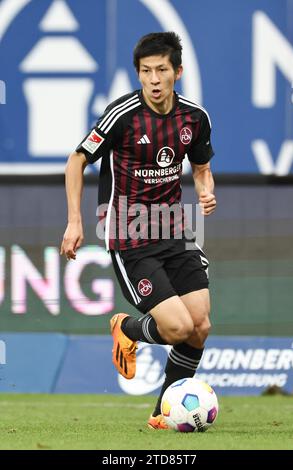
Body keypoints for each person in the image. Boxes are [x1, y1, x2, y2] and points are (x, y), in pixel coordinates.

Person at [60, 32, 216, 429]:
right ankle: (126, 327)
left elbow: (200, 166)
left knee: (199, 327)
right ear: (139, 75)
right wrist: (75, 221)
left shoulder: (194, 118)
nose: (154, 79)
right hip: (130, 236)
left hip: (175, 230)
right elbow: (77, 160)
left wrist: (204, 190)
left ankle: (162, 413)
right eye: (146, 72)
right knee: (176, 326)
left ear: (177, 72)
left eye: (162, 70)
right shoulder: (122, 115)